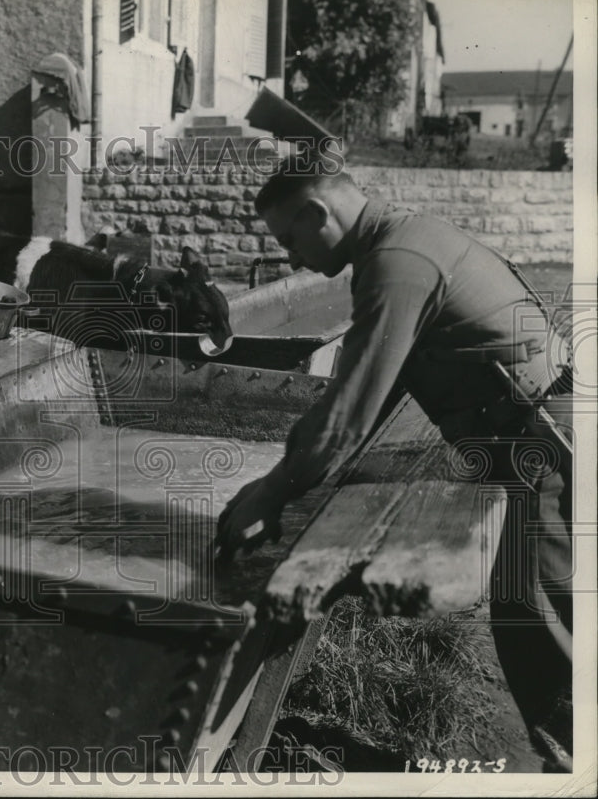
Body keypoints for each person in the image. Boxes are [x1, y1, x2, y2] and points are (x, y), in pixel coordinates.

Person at [215, 160, 575, 772]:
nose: (296, 259)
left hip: (537, 449)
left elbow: (348, 413)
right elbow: (366, 394)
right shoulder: (405, 235)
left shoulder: (395, 265)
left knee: (542, 617)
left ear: (317, 213)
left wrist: (271, 492)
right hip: (536, 436)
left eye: (291, 241)